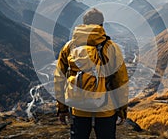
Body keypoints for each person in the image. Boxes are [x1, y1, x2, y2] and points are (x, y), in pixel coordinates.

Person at [54, 8, 129, 139]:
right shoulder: (111, 47)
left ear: (84, 24)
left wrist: (62, 109)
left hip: (78, 108)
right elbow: (121, 80)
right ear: (101, 24)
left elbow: (59, 78)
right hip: (106, 109)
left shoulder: (70, 46)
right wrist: (122, 110)